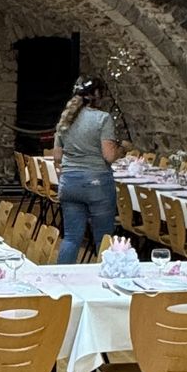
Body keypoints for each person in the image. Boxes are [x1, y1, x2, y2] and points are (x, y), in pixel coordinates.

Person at [52, 76, 120, 265]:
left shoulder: (65, 119)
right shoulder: (102, 118)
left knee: (71, 237)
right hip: (96, 182)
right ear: (97, 96)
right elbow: (109, 156)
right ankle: (107, 276)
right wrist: (122, 149)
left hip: (69, 183)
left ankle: (61, 276)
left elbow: (57, 156)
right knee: (103, 239)